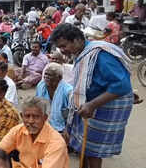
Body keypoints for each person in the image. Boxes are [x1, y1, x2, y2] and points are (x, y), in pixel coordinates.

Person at [50, 23, 134, 168]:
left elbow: (122, 85)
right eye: (60, 48)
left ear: (76, 40)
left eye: (64, 46)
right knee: (86, 147)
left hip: (102, 106)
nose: (62, 51)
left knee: (93, 150)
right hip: (91, 104)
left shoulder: (100, 55)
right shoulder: (83, 52)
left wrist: (92, 104)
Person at [0, 96, 69, 168]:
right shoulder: (17, 131)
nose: (31, 121)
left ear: (45, 118)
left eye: (36, 117)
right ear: (22, 116)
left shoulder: (56, 143)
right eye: (27, 116)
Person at [36, 63, 72, 132]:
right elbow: (37, 104)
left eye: (50, 75)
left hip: (62, 128)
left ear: (59, 77)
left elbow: (72, 115)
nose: (46, 77)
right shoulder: (41, 85)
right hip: (44, 124)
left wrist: (67, 130)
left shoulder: (68, 91)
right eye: (45, 74)